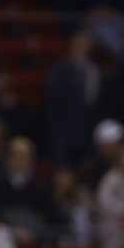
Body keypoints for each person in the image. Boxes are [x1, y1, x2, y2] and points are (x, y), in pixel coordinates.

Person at [0, 137, 59, 242]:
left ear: (31, 161)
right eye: (14, 157)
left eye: (23, 158)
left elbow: (54, 224)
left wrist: (34, 234)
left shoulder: (42, 188)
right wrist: (9, 233)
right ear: (6, 160)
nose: (18, 162)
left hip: (35, 247)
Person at [45, 30, 101, 167]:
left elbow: (97, 110)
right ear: (72, 42)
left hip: (89, 143)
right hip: (65, 142)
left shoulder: (96, 72)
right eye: (81, 40)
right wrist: (59, 149)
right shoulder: (58, 74)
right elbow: (53, 113)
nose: (84, 45)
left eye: (88, 42)